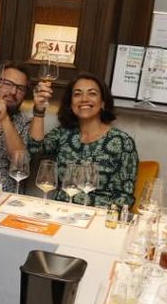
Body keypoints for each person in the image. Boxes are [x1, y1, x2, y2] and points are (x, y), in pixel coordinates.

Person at [28, 72, 137, 208]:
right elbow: (34, 148)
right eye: (77, 94)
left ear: (103, 102)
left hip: (97, 218)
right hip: (61, 212)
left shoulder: (122, 142)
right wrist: (39, 110)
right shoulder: (63, 134)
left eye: (92, 93)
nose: (84, 99)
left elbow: (125, 198)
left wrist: (86, 211)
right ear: (70, 104)